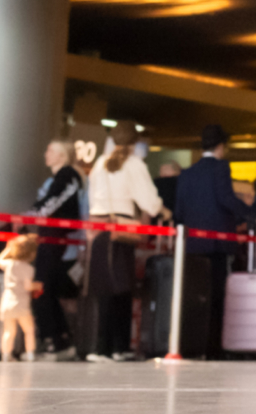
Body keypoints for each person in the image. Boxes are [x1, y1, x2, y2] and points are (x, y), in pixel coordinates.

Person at [175, 125, 256, 357]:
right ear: (221, 146)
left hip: (192, 245)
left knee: (194, 296)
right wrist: (254, 214)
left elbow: (179, 211)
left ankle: (189, 345)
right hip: (217, 245)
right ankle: (214, 349)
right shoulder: (221, 168)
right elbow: (226, 198)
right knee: (217, 297)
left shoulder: (187, 173)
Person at [83, 123, 165, 361]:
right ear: (135, 142)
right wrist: (162, 210)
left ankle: (100, 346)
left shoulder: (100, 163)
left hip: (99, 231)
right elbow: (149, 201)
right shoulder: (134, 165)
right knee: (122, 288)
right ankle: (118, 347)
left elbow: (91, 197)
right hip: (123, 230)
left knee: (102, 288)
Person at [29, 139, 84, 355]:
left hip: (56, 239)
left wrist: (31, 216)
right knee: (46, 289)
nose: (46, 154)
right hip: (52, 239)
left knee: (41, 287)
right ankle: (60, 338)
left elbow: (52, 203)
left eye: (50, 150)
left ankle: (54, 339)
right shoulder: (57, 179)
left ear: (62, 155)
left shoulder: (67, 176)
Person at [0, 235, 41, 362]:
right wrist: (37, 285)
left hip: (7, 301)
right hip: (21, 303)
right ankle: (30, 353)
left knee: (9, 331)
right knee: (29, 330)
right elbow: (27, 286)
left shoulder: (10, 264)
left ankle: (6, 355)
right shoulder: (28, 268)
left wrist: (8, 249)